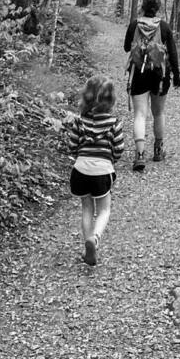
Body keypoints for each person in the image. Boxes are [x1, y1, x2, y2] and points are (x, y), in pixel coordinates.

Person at [65, 75, 124, 266]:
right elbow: (119, 148)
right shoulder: (115, 122)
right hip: (102, 171)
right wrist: (111, 159)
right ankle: (95, 239)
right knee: (104, 209)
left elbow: (72, 146)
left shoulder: (80, 121)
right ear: (111, 99)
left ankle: (87, 243)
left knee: (87, 208)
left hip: (80, 170)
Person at [124, 0, 180, 171]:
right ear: (158, 8)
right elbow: (172, 53)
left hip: (138, 74)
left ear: (143, 5)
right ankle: (157, 150)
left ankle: (139, 154)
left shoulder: (134, 24)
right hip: (160, 75)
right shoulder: (164, 26)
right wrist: (177, 75)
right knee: (159, 113)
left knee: (140, 114)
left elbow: (126, 47)